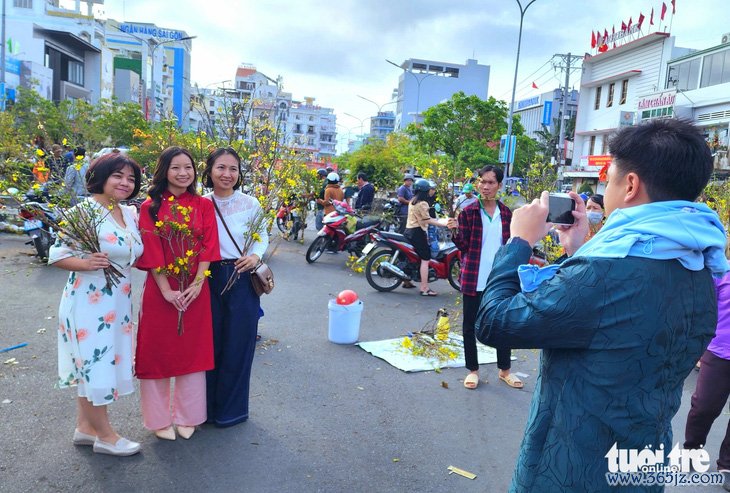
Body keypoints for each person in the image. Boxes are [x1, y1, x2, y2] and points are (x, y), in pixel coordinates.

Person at [475, 118, 728, 492]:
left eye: (608, 180)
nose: (604, 189)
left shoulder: (603, 274)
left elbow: (495, 322)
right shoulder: (701, 266)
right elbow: (616, 322)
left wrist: (519, 243)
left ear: (630, 185)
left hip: (575, 469)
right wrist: (580, 251)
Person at [48, 152, 144, 456]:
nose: (125, 182)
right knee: (95, 364)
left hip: (117, 303)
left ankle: (85, 428)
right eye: (118, 175)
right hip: (89, 304)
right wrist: (87, 262)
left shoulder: (128, 213)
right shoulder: (83, 212)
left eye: (130, 178)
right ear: (101, 176)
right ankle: (105, 435)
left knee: (95, 364)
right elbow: (57, 255)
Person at [136, 146, 220, 441]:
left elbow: (209, 246)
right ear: (164, 171)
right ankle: (158, 419)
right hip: (161, 290)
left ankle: (189, 416)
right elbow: (152, 249)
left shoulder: (203, 205)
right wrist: (167, 290)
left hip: (197, 288)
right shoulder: (150, 207)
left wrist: (197, 284)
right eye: (176, 168)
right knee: (157, 352)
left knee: (192, 352)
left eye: (188, 167)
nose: (183, 173)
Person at [202, 148, 269, 427]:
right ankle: (204, 409)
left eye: (233, 169)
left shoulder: (250, 203)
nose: (227, 174)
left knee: (239, 345)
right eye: (221, 168)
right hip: (207, 277)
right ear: (209, 171)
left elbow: (262, 234)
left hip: (242, 277)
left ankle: (232, 411)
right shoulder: (200, 203)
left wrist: (255, 256)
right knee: (210, 346)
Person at [452, 165, 521, 390]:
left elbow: (511, 245)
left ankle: (505, 370)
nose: (485, 186)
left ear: (499, 186)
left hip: (500, 279)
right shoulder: (469, 212)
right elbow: (463, 245)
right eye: (482, 181)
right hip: (474, 276)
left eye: (491, 182)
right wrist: (454, 230)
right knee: (469, 325)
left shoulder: (507, 214)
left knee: (503, 324)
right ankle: (473, 370)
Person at [684, 270, 730, 491]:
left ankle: (727, 465)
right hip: (719, 351)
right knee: (704, 406)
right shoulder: (723, 272)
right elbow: (703, 309)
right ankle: (692, 449)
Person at [403, 178, 455, 296]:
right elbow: (428, 220)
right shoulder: (423, 203)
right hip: (417, 232)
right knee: (425, 259)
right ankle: (425, 288)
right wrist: (444, 223)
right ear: (425, 192)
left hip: (408, 230)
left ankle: (406, 281)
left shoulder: (412, 201)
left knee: (412, 256)